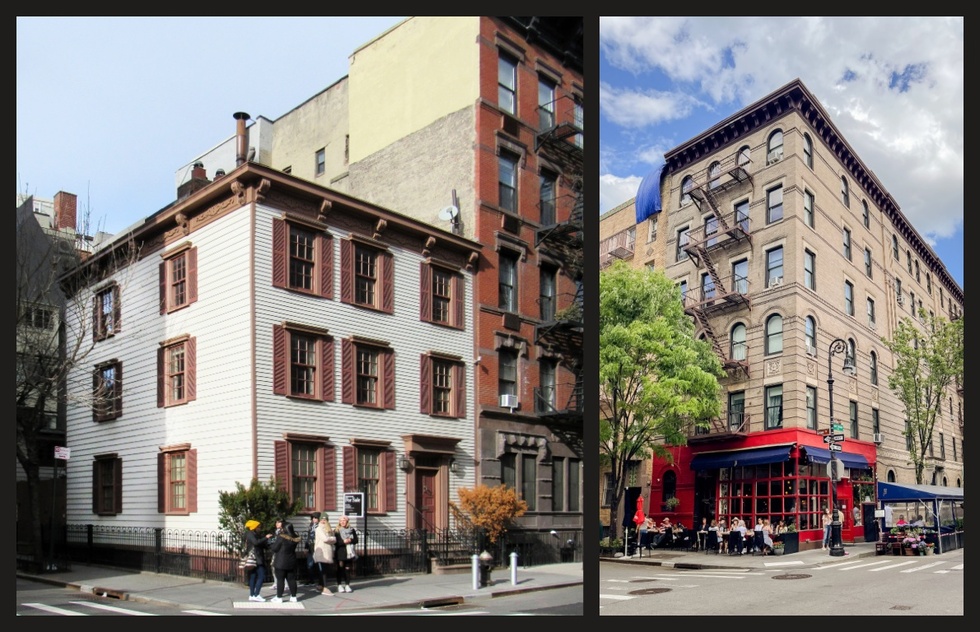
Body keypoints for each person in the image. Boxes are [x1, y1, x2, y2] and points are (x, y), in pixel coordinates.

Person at [269, 520, 302, 603]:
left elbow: (275, 548)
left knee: (280, 579)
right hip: (291, 560)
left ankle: (279, 597)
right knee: (291, 579)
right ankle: (294, 597)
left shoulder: (282, 537)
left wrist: (270, 543)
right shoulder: (295, 537)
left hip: (281, 561)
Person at [244, 519, 272, 602]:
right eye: (259, 527)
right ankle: (256, 594)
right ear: (254, 527)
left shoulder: (252, 534)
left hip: (255, 557)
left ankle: (252, 595)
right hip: (256, 558)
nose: (260, 528)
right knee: (261, 575)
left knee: (253, 576)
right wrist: (265, 538)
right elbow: (256, 543)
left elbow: (259, 544)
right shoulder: (250, 534)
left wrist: (267, 543)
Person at [313, 513, 337, 594]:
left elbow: (334, 539)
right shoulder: (319, 528)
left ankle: (320, 585)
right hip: (321, 552)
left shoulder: (328, 528)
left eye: (325, 519)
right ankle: (325, 587)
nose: (323, 521)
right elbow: (325, 539)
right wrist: (332, 538)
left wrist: (332, 538)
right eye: (322, 519)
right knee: (322, 570)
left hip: (328, 551)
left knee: (325, 570)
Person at [334, 515, 358, 593]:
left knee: (347, 569)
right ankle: (339, 585)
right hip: (340, 553)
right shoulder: (337, 531)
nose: (342, 522)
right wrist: (343, 542)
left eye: (344, 520)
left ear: (347, 521)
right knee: (340, 569)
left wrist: (350, 540)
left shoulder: (351, 530)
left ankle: (347, 585)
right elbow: (336, 542)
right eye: (341, 521)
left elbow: (356, 540)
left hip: (349, 553)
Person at [305, 513, 320, 586]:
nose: (314, 519)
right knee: (309, 564)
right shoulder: (310, 526)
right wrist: (306, 547)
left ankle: (320, 581)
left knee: (318, 565)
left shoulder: (320, 526)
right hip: (310, 547)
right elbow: (308, 537)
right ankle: (311, 580)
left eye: (315, 518)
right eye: (313, 518)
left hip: (317, 547)